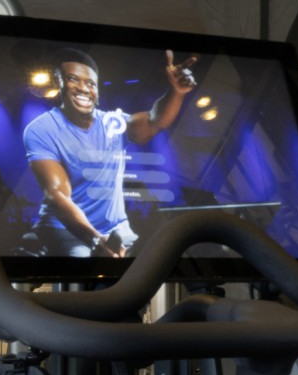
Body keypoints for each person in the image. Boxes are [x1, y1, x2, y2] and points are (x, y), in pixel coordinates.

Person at [23, 47, 198, 257]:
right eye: (73, 79)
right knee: (92, 272)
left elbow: (154, 121)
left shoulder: (112, 122)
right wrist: (96, 240)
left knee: (168, 262)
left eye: (90, 84)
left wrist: (176, 92)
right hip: (66, 230)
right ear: (59, 83)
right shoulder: (42, 128)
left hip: (117, 229)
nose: (83, 89)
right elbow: (57, 194)